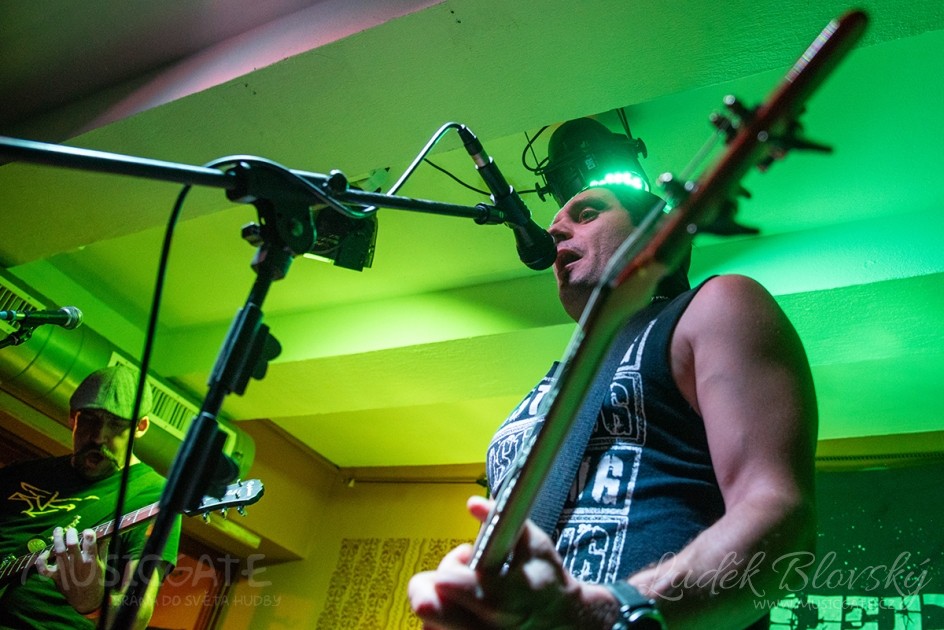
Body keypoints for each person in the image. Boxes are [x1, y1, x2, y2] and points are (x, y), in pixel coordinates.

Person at [409, 183, 818, 629]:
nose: (554, 232)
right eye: (556, 225)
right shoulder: (553, 387)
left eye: (587, 214)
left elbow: (781, 518)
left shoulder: (714, 305)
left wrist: (603, 611)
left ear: (657, 232)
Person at [0, 364, 181, 630]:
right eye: (89, 419)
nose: (98, 436)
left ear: (141, 426)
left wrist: (95, 603)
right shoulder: (25, 472)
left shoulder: (153, 496)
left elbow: (138, 614)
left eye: (115, 424)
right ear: (73, 417)